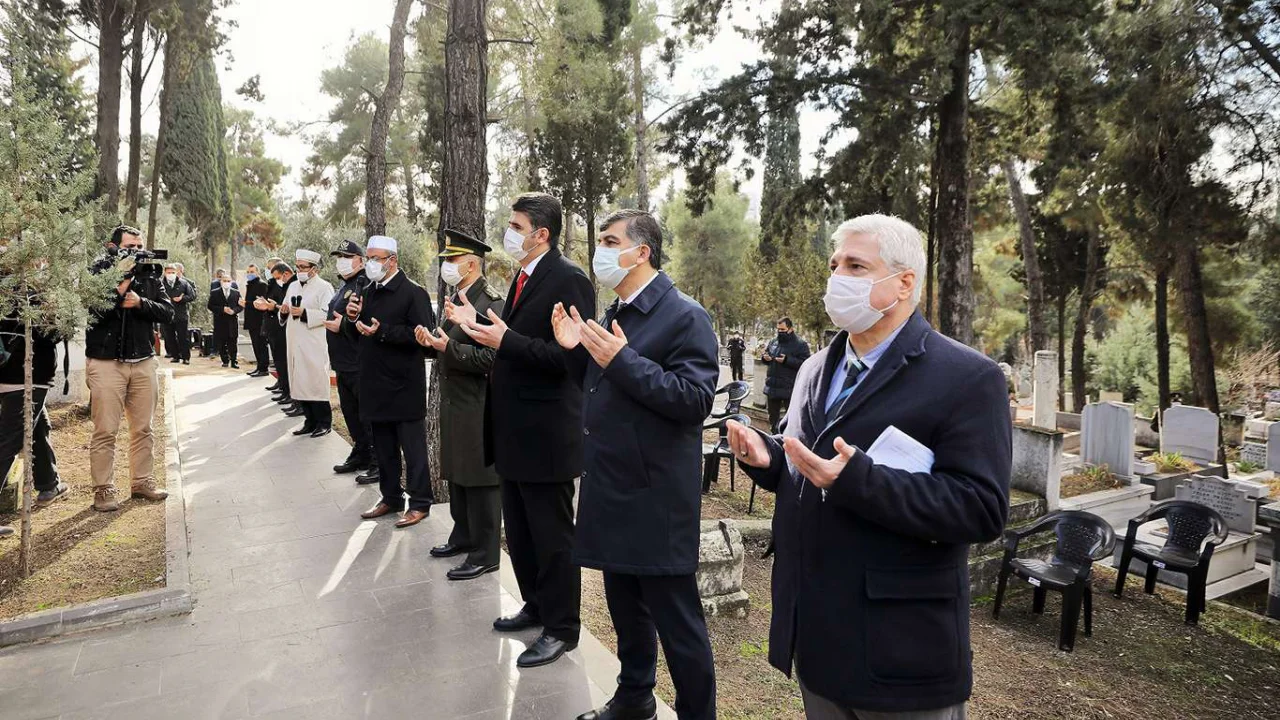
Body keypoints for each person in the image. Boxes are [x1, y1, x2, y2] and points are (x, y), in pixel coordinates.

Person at [727, 214, 1011, 720]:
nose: (838, 277)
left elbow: (981, 509)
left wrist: (857, 481)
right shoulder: (816, 368)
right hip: (816, 638)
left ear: (904, 283)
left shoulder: (968, 378)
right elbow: (806, 463)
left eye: (856, 266)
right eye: (835, 265)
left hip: (898, 651)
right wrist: (770, 457)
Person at [554, 210, 719, 720]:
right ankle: (634, 696)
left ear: (641, 251)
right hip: (612, 483)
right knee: (625, 605)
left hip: (655, 495)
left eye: (609, 240)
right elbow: (605, 384)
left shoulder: (684, 315)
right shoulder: (615, 312)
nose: (599, 250)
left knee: (677, 620)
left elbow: (694, 400)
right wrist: (573, 352)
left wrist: (621, 359)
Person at [453, 192, 595, 668]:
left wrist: (506, 339)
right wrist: (481, 328)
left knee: (553, 538)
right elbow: (512, 340)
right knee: (523, 532)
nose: (508, 232)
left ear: (542, 234)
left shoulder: (569, 279)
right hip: (513, 428)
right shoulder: (522, 275)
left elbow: (572, 360)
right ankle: (536, 604)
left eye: (516, 225)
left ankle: (562, 628)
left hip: (547, 434)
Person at [415, 229, 505, 580]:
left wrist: (446, 348)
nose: (447, 266)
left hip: (479, 404)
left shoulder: (491, 302)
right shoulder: (458, 297)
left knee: (481, 480)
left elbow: (492, 358)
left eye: (452, 260)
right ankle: (463, 536)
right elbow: (448, 345)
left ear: (471, 263)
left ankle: (486, 553)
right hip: (456, 402)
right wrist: (430, 343)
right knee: (458, 474)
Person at [345, 236, 436, 528]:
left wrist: (383, 331)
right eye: (368, 258)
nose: (370, 264)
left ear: (392, 260)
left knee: (413, 450)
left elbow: (423, 338)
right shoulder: (368, 291)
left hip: (403, 386)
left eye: (375, 258)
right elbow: (359, 335)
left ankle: (420, 502)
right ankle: (391, 497)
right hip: (374, 384)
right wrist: (351, 320)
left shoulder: (414, 293)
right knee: (383, 449)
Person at [84, 225, 174, 511]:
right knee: (105, 430)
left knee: (144, 427)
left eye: (139, 247)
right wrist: (121, 282)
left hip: (143, 361)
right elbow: (96, 312)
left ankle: (142, 481)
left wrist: (140, 302)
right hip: (106, 363)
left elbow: (168, 311)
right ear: (113, 247)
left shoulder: (150, 274)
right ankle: (103, 488)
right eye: (129, 247)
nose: (136, 252)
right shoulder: (97, 270)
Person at [0, 289, 70, 536]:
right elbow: (53, 334)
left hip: (9, 374)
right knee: (8, 441)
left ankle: (49, 484)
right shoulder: (37, 293)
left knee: (39, 427)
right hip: (26, 377)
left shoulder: (7, 287)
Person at [323, 240, 378, 482]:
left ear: (361, 260)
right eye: (339, 256)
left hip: (359, 362)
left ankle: (378, 461)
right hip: (343, 362)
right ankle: (360, 452)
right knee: (351, 413)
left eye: (348, 256)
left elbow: (367, 321)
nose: (342, 260)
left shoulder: (365, 284)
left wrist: (342, 324)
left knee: (367, 414)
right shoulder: (344, 286)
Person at [279, 250, 333, 436]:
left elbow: (328, 314)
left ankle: (324, 423)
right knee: (300, 382)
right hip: (295, 341)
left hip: (314, 343)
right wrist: (284, 311)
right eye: (297, 267)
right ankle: (309, 421)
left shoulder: (325, 287)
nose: (299, 270)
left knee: (315, 382)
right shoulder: (292, 286)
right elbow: (285, 309)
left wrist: (304, 313)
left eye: (303, 267)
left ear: (314, 269)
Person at [260, 262, 301, 417]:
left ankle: (295, 399)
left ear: (285, 273)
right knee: (283, 364)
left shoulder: (295, 284)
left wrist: (274, 307)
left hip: (289, 331)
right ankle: (289, 395)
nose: (279, 280)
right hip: (281, 328)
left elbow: (290, 307)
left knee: (291, 367)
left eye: (278, 277)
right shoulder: (287, 285)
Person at [761, 317, 810, 432]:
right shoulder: (773, 342)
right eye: (778, 329)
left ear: (790, 329)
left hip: (789, 388)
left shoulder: (800, 344)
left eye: (782, 329)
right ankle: (774, 440)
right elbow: (767, 356)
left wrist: (787, 360)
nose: (780, 332)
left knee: (791, 420)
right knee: (773, 420)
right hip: (772, 387)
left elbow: (805, 363)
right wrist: (765, 358)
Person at [207, 269, 242, 369]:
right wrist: (222, 309)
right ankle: (225, 360)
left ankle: (234, 361)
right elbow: (210, 306)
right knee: (222, 342)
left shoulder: (236, 292)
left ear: (231, 282)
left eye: (228, 281)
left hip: (232, 321)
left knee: (233, 342)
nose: (226, 283)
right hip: (220, 321)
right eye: (224, 280)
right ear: (221, 281)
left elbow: (240, 306)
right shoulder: (215, 292)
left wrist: (234, 311)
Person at [242, 264, 272, 377]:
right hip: (251, 320)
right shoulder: (250, 285)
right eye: (248, 272)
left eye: (252, 271)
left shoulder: (262, 285)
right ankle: (259, 367)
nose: (250, 274)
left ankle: (263, 368)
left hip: (259, 320)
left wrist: (246, 303)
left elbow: (261, 303)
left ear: (257, 273)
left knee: (261, 345)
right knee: (255, 344)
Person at [169, 263, 196, 364]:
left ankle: (185, 357)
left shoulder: (186, 283)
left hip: (182, 313)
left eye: (174, 272)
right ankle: (175, 355)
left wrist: (182, 299)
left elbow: (192, 296)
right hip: (168, 313)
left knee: (183, 336)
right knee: (170, 336)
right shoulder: (164, 282)